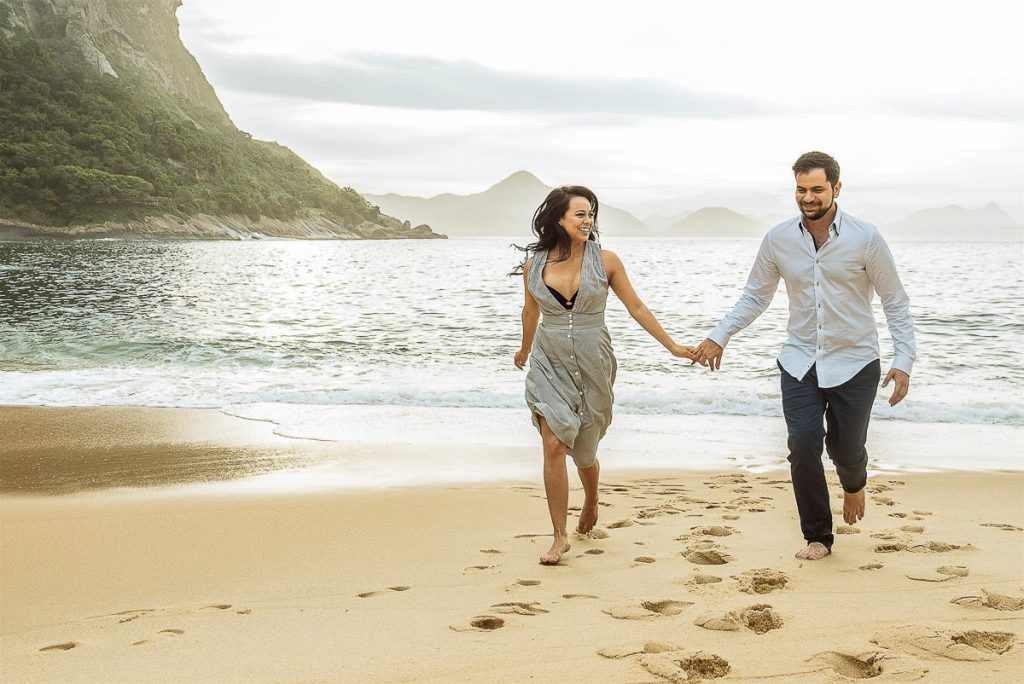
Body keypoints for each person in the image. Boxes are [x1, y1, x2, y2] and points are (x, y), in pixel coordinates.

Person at [694, 151, 916, 561]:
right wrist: (720, 335)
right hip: (799, 362)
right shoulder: (778, 239)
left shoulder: (866, 237)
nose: (808, 197)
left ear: (836, 188)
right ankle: (818, 536)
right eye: (801, 189)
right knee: (803, 443)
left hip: (855, 361)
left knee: (846, 451)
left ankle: (853, 482)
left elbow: (894, 302)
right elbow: (755, 296)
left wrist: (904, 359)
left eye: (817, 189)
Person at [512, 185, 701, 565]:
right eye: (579, 214)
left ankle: (592, 499)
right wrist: (524, 349)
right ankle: (559, 536)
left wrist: (673, 347)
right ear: (559, 219)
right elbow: (530, 312)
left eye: (590, 214)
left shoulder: (607, 260)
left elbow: (636, 306)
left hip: (594, 360)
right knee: (553, 442)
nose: (587, 221)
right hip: (549, 360)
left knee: (585, 448)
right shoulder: (535, 265)